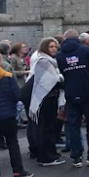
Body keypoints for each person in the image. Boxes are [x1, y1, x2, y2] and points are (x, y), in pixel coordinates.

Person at [56, 29, 89, 168]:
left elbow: (59, 74)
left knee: (74, 126)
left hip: (70, 93)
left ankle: (77, 157)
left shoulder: (60, 55)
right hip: (88, 92)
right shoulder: (87, 51)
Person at [29, 37, 66, 167]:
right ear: (45, 47)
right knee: (46, 129)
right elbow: (51, 79)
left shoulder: (50, 60)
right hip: (46, 99)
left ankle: (49, 154)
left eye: (55, 46)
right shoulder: (43, 61)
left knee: (49, 128)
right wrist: (60, 77)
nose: (54, 49)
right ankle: (47, 157)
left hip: (50, 98)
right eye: (51, 46)